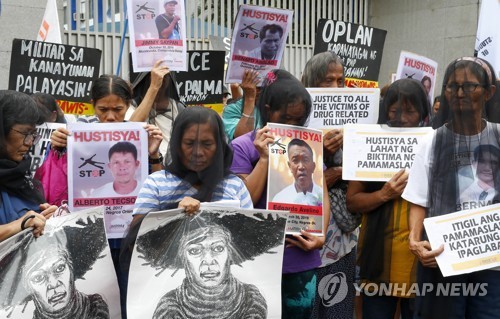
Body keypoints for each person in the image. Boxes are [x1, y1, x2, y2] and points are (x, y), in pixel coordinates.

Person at [402, 57, 500, 319]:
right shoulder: (431, 142)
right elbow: (419, 201)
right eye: (452, 86)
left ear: (489, 92)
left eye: (469, 86)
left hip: (493, 268)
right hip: (442, 263)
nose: (459, 93)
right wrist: (414, 240)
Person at [230, 69, 329, 318]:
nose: (291, 126)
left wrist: (321, 235)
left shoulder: (310, 147)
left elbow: (322, 194)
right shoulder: (243, 147)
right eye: (285, 117)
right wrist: (264, 158)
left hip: (300, 257)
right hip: (256, 259)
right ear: (267, 109)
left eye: (299, 120)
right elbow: (244, 201)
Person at [346, 78, 429, 319]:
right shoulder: (367, 144)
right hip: (378, 257)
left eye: (410, 111)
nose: (401, 118)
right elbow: (353, 201)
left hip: (420, 257)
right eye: (394, 111)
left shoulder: (434, 145)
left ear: (423, 114)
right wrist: (384, 194)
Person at [302, 51, 358, 319]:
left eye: (340, 80)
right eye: (327, 81)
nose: (336, 87)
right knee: (308, 305)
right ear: (311, 82)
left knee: (337, 305)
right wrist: (321, 153)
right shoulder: (297, 118)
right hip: (307, 234)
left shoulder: (355, 120)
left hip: (342, 235)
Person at [0, 214, 110, 318]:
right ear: (28, 286)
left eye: (59, 268)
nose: (53, 284)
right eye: (38, 278)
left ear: (70, 268)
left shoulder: (96, 309)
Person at [151, 223, 266, 318]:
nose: (209, 260)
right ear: (183, 259)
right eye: (195, 251)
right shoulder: (169, 307)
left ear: (230, 254)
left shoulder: (251, 298)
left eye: (218, 248)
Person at [0, 90, 56, 241]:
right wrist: (19, 225)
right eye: (25, 133)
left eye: (33, 134)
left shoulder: (23, 177)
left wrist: (47, 217)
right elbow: (23, 222)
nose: (30, 142)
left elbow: (31, 222)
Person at [128, 61, 185, 156]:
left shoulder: (178, 108)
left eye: (165, 76)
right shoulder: (133, 105)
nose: (161, 79)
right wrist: (154, 87)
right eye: (155, 76)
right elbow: (130, 131)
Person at [272, 139, 322, 205]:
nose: (301, 167)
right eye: (295, 160)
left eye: (305, 159)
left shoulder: (324, 196)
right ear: (290, 166)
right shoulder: (279, 199)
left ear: (313, 166)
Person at [222, 69, 260, 141]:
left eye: (225, 96)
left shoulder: (271, 106)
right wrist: (250, 98)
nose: (257, 90)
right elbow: (244, 140)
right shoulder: (233, 109)